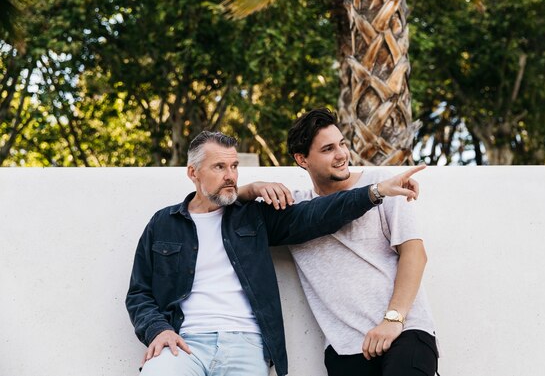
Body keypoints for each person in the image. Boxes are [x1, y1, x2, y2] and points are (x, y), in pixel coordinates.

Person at [125, 130, 424, 376]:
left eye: (234, 167)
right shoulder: (164, 224)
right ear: (193, 172)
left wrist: (375, 192)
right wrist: (157, 330)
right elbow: (139, 293)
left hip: (245, 344)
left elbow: (317, 214)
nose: (230, 175)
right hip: (184, 344)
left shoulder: (253, 217)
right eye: (219, 167)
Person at [243, 109, 438, 376]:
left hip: (404, 331)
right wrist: (252, 188)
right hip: (345, 348)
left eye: (342, 144)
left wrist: (393, 319)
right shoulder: (294, 208)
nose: (342, 154)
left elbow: (415, 254)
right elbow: (223, 211)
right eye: (328, 149)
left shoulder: (384, 186)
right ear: (302, 159)